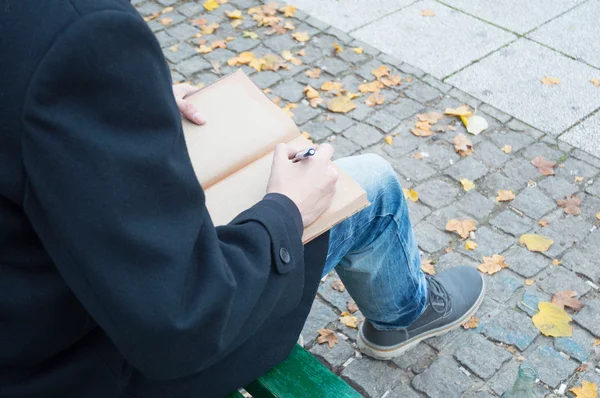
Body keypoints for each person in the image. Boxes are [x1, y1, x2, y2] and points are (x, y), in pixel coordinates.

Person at [0, 1, 484, 397]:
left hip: (34, 324)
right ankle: (405, 312)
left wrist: (122, 104)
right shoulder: (78, 34)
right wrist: (286, 210)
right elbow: (180, 321)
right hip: (86, 367)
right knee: (371, 183)